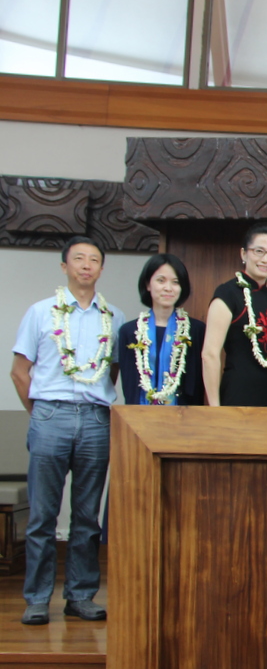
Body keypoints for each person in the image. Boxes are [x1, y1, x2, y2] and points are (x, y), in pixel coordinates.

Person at [10, 236, 126, 625]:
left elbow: (110, 372)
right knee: (43, 515)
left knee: (87, 516)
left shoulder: (116, 317)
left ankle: (80, 596)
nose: (86, 265)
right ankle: (37, 598)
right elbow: (19, 371)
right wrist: (40, 412)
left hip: (95, 418)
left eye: (94, 259)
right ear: (65, 266)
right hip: (50, 416)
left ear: (101, 269)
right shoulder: (41, 313)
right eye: (79, 258)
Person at [202, 224, 267, 406]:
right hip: (239, 396)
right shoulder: (228, 293)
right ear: (244, 254)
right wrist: (214, 408)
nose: (265, 259)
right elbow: (210, 354)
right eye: (259, 251)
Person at [118, 253, 206, 406]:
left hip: (183, 417)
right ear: (147, 284)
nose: (168, 288)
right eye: (161, 280)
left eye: (175, 282)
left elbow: (197, 384)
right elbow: (128, 384)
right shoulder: (129, 331)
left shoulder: (196, 331)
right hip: (139, 417)